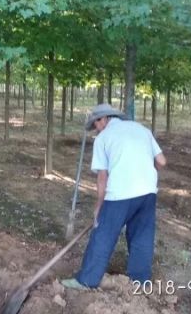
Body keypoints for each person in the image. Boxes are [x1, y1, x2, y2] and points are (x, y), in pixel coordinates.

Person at [61, 103, 167, 289]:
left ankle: (86, 280)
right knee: (142, 235)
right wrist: (147, 174)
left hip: (120, 193)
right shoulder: (142, 129)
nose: (95, 129)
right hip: (148, 192)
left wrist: (99, 207)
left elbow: (103, 176)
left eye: (95, 124)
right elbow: (161, 161)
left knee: (103, 234)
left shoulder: (103, 138)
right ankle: (140, 282)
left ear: (104, 119)